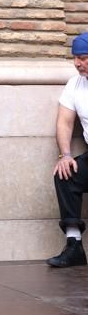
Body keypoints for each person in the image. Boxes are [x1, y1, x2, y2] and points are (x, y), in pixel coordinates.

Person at [47, 31, 88, 268]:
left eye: (83, 58)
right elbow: (64, 121)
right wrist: (65, 155)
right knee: (65, 173)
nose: (77, 63)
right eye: (75, 58)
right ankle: (74, 247)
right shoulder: (75, 84)